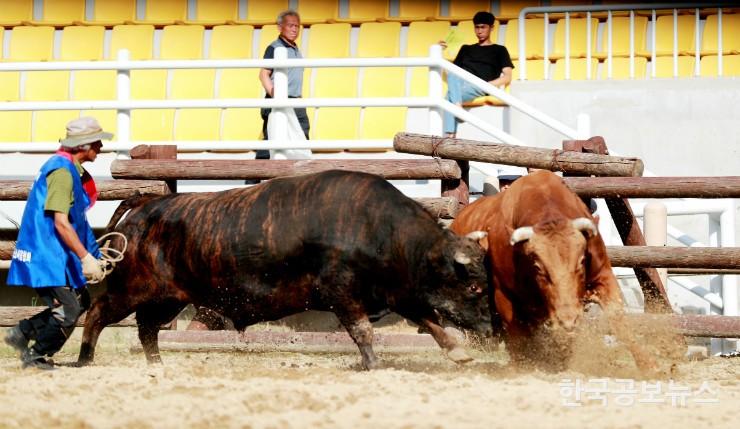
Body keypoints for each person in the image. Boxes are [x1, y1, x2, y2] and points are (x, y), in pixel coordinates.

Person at [4, 117, 110, 370]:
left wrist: (93, 254)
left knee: (80, 302)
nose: (101, 147)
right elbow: (61, 222)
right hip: (46, 253)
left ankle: (22, 333)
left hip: (53, 251)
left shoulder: (66, 168)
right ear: (83, 146)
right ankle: (36, 356)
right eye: (97, 142)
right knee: (69, 310)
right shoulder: (62, 173)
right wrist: (85, 257)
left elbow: (75, 221)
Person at [441, 11, 514, 138]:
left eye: (483, 27)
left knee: (448, 97)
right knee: (453, 74)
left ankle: (449, 135)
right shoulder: (466, 48)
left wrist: (488, 85)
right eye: (477, 27)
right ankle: (458, 110)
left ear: (491, 28)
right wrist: (439, 52)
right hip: (462, 82)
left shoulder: (499, 50)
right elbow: (452, 71)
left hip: (481, 84)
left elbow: (508, 75)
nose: (479, 31)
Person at [258, 9, 310, 158]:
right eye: (291, 25)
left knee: (303, 136)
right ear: (280, 27)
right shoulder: (274, 48)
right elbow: (263, 75)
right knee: (270, 141)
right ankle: (252, 179)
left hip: (296, 101)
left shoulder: (295, 48)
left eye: (297, 26)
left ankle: (302, 177)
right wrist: (276, 95)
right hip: (279, 100)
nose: (294, 29)